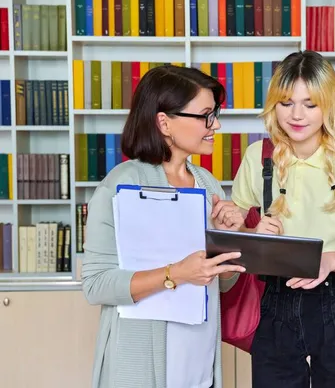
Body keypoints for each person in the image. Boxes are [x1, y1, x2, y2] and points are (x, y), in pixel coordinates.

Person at [81, 65, 247, 388]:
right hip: (141, 363)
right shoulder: (120, 186)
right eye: (205, 116)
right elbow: (97, 285)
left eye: (215, 114)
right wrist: (178, 274)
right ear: (164, 122)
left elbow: (220, 283)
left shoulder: (209, 185)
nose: (216, 125)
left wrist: (230, 245)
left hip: (198, 359)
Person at [227, 50, 335, 387]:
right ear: (273, 105)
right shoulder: (258, 157)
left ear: (329, 105)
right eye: (286, 103)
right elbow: (231, 235)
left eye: (310, 104)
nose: (296, 115)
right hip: (275, 301)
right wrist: (252, 230)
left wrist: (327, 261)